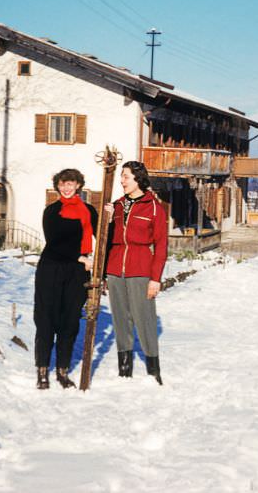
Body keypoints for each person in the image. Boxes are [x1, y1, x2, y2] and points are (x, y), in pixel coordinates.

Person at [34, 168, 98, 389]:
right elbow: (54, 243)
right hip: (51, 269)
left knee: (70, 321)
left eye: (70, 183)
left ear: (78, 185)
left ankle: (62, 371)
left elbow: (103, 234)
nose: (66, 188)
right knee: (46, 320)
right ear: (58, 187)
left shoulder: (89, 210)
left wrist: (109, 215)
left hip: (77, 273)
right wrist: (81, 258)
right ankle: (42, 371)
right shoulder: (52, 211)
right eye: (62, 184)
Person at [106, 161, 168, 385]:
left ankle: (153, 368)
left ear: (138, 179)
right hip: (115, 268)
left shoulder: (154, 207)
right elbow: (106, 240)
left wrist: (155, 279)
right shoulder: (117, 205)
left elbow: (161, 246)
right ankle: (125, 368)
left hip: (140, 268)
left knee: (145, 318)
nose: (122, 180)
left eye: (126, 176)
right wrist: (108, 220)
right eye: (121, 176)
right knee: (120, 318)